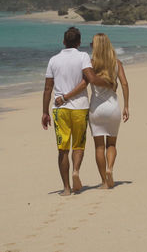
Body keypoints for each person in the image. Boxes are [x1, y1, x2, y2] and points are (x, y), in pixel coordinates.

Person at [42, 27, 112, 196]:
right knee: (78, 145)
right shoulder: (83, 57)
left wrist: (45, 112)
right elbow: (89, 78)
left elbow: (47, 88)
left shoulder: (53, 60)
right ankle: (76, 171)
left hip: (60, 110)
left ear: (64, 42)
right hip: (80, 107)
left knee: (62, 149)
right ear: (79, 42)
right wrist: (109, 83)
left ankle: (66, 188)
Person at [55, 33, 129, 189]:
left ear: (95, 47)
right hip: (113, 107)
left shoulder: (91, 64)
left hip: (96, 109)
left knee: (99, 147)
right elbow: (124, 84)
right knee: (112, 144)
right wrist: (127, 106)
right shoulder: (117, 63)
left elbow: (83, 84)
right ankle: (110, 168)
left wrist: (65, 96)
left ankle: (103, 181)